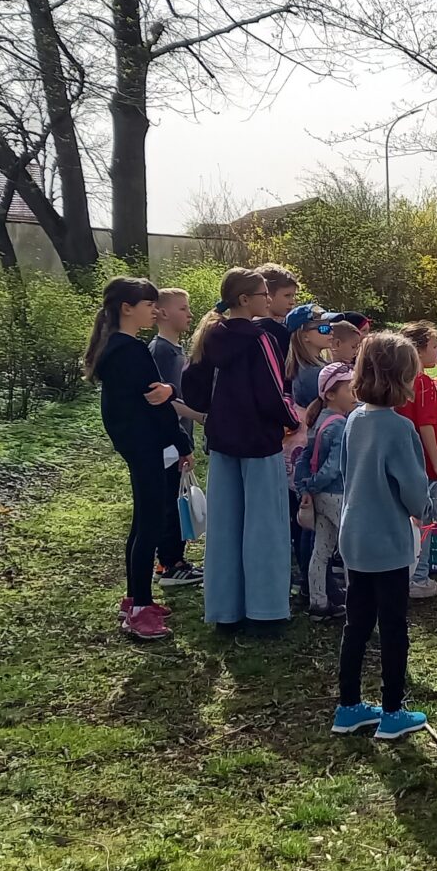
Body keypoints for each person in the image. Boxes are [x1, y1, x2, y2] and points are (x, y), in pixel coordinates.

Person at [182, 268, 299, 628]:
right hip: (259, 442)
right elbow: (271, 390)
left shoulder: (209, 336)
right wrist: (293, 420)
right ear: (245, 300)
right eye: (263, 293)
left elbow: (192, 385)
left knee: (225, 525)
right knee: (265, 524)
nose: (268, 298)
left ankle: (224, 610)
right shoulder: (258, 337)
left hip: (222, 441)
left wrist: (216, 414)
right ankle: (265, 610)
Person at [331, 331, 432, 740]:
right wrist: (421, 511)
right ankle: (392, 711)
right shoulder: (399, 428)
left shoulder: (354, 418)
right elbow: (412, 489)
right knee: (393, 627)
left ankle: (349, 705)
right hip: (388, 541)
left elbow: (344, 469)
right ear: (401, 378)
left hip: (354, 535)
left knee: (357, 624)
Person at [87, 277, 192, 641]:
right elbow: (157, 402)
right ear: (126, 308)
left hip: (138, 443)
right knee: (149, 525)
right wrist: (181, 441)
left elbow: (159, 394)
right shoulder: (130, 351)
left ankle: (135, 597)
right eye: (148, 305)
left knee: (141, 524)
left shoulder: (120, 347)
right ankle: (139, 610)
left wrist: (169, 391)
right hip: (146, 445)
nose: (155, 310)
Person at [149, 287, 204, 588]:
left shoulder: (176, 350)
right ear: (163, 313)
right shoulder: (161, 351)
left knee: (177, 497)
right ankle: (168, 565)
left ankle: (176, 559)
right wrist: (201, 418)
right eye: (183, 308)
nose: (190, 314)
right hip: (168, 442)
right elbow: (165, 399)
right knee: (170, 502)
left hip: (179, 438)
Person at [394, 322, 437, 599]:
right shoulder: (422, 382)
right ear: (416, 349)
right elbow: (427, 425)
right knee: (424, 520)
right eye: (433, 346)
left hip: (401, 460)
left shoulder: (399, 380)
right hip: (424, 463)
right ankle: (418, 578)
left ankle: (402, 573)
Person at [296, 361, 356, 619]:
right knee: (352, 550)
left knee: (321, 550)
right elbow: (334, 468)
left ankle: (318, 603)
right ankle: (357, 601)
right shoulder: (340, 425)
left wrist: (305, 487)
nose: (354, 394)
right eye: (349, 389)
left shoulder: (317, 420)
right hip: (337, 494)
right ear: (330, 394)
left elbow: (304, 457)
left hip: (320, 496)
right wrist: (313, 484)